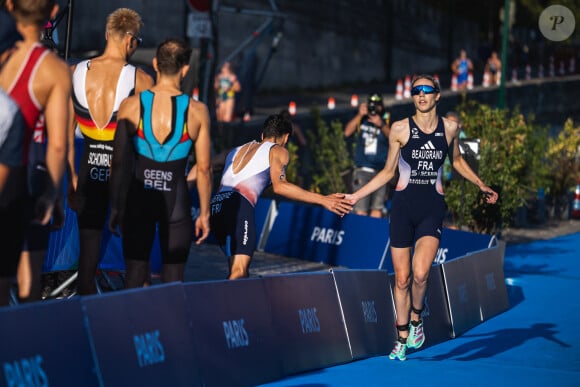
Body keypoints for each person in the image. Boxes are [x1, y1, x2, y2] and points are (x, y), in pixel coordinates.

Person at [345, 74, 498, 361]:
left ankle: (416, 320)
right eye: (416, 91)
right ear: (412, 96)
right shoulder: (400, 129)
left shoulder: (450, 128)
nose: (422, 95)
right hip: (402, 209)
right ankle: (401, 337)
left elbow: (458, 161)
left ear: (438, 95)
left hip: (431, 208)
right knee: (401, 280)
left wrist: (481, 184)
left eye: (427, 90)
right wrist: (355, 196)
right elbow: (388, 172)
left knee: (420, 273)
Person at [108, 37, 212, 288]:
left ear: (155, 64)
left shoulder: (131, 106)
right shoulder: (197, 111)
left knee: (134, 275)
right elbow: (205, 169)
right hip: (175, 203)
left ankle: (133, 327)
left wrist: (116, 206)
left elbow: (119, 162)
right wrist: (205, 214)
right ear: (185, 69)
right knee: (173, 281)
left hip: (138, 199)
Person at [67, 8, 153, 295]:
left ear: (107, 34)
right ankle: (132, 327)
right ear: (130, 40)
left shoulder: (75, 72)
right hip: (125, 178)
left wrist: (71, 178)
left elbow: (65, 135)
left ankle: (84, 330)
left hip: (87, 172)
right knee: (137, 264)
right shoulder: (140, 79)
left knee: (86, 268)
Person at [210, 113, 353, 280]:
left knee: (238, 271)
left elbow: (205, 166)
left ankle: (234, 305)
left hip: (216, 207)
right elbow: (280, 187)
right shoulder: (278, 151)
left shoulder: (236, 150)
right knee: (239, 272)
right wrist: (323, 199)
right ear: (285, 138)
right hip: (239, 205)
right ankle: (221, 305)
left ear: (262, 135)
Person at [0, 0, 70, 306]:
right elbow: (57, 143)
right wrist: (54, 194)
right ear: (53, 12)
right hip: (22, 173)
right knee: (20, 281)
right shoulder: (53, 69)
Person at [344, 93, 390, 218]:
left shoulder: (386, 119)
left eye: (377, 106)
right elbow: (347, 132)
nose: (374, 109)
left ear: (382, 107)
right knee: (360, 209)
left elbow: (393, 138)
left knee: (377, 207)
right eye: (371, 106)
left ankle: (374, 235)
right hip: (362, 170)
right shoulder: (362, 119)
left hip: (381, 172)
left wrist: (381, 124)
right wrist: (360, 114)